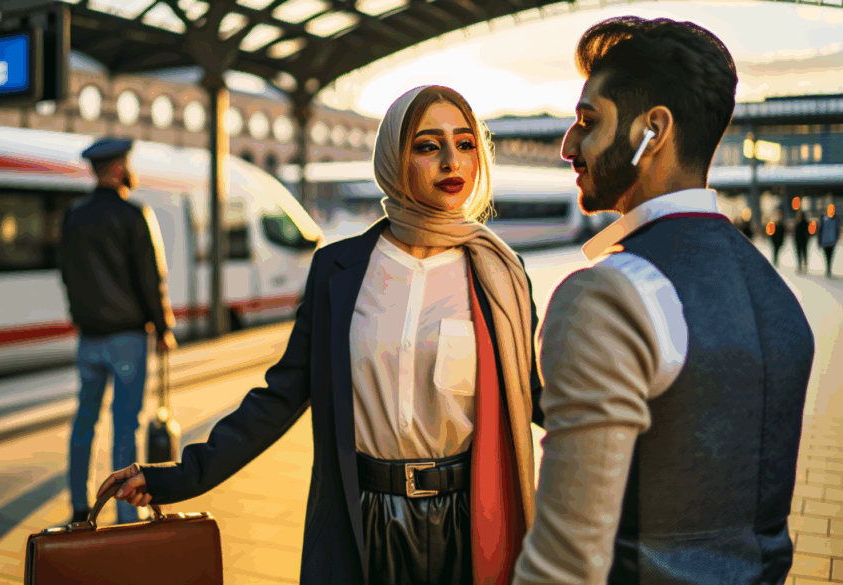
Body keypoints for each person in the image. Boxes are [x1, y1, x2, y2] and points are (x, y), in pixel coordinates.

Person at [99, 86, 546, 585]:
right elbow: (281, 396)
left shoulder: (499, 274)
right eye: (427, 145)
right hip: (360, 522)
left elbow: (540, 395)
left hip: (471, 523)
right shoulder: (340, 269)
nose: (450, 161)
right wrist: (180, 476)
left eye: (465, 145)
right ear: (395, 159)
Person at [513, 17, 815, 585]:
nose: (567, 146)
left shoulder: (608, 295)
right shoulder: (778, 296)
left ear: (652, 130)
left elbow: (564, 565)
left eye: (588, 121)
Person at [59, 137, 176, 526]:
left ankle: (79, 503)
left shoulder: (74, 216)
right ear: (117, 169)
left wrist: (82, 318)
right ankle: (127, 513)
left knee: (85, 420)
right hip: (127, 337)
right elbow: (151, 278)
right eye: (126, 162)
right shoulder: (133, 214)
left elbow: (66, 274)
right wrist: (163, 328)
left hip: (89, 338)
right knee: (126, 425)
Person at [820, 204, 839, 278]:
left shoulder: (835, 219)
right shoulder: (823, 218)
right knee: (827, 256)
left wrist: (837, 238)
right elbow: (821, 230)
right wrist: (819, 241)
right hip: (825, 241)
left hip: (832, 241)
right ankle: (828, 268)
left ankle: (829, 268)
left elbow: (837, 230)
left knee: (830, 256)